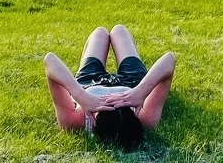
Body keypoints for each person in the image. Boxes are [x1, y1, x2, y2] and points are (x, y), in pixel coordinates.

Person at [44, 25, 176, 151]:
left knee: (100, 33)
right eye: (122, 106)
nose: (112, 100)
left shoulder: (75, 121)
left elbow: (50, 60)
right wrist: (141, 92)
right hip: (132, 82)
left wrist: (81, 96)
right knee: (119, 31)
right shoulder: (146, 120)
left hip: (89, 83)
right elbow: (169, 59)